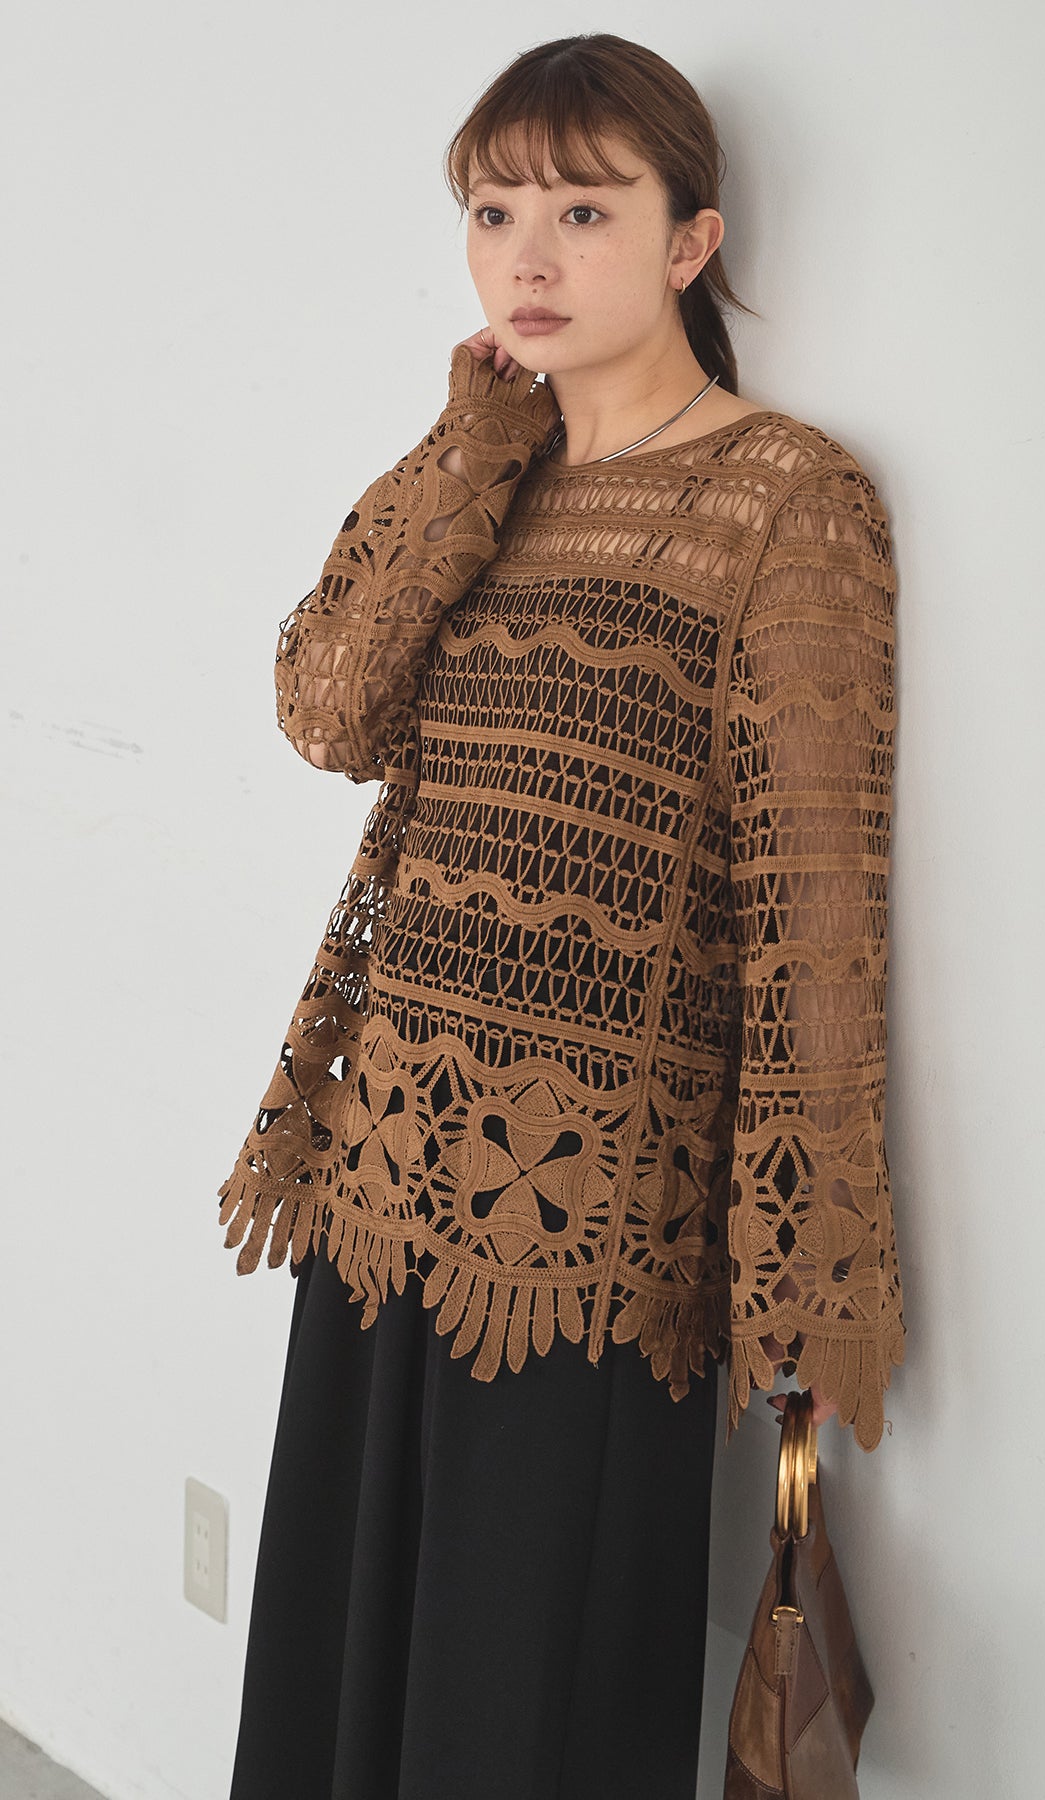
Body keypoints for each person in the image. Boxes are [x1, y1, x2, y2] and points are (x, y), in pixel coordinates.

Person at [220, 31, 905, 1800]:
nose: (527, 257)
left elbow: (815, 914)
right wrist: (472, 442)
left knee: (513, 1724)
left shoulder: (786, 498)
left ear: (692, 242)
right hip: (380, 1178)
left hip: (589, 1232)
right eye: (493, 211)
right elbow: (328, 708)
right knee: (339, 1691)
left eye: (584, 212)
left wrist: (806, 1273)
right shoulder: (480, 468)